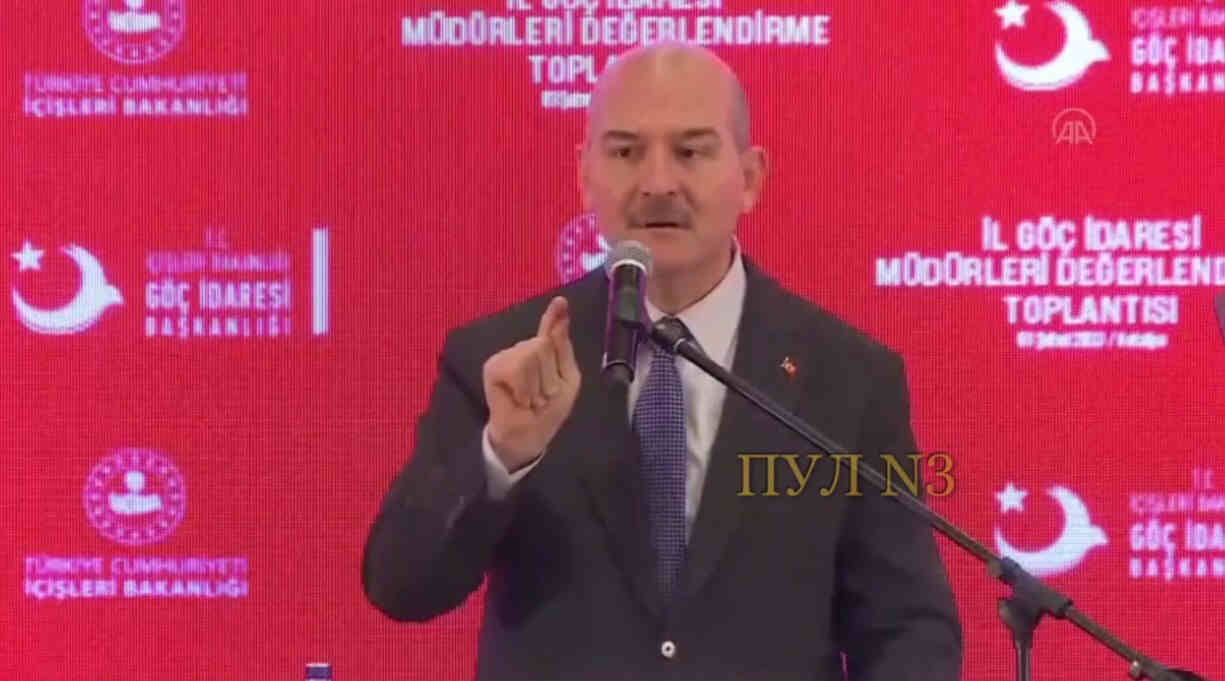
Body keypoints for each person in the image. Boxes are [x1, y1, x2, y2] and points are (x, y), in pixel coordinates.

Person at [363, 42, 963, 680]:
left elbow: (909, 628)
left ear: (751, 178)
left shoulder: (848, 379)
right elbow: (402, 586)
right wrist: (502, 456)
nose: (657, 183)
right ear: (584, 175)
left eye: (691, 152)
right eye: (625, 153)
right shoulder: (505, 360)